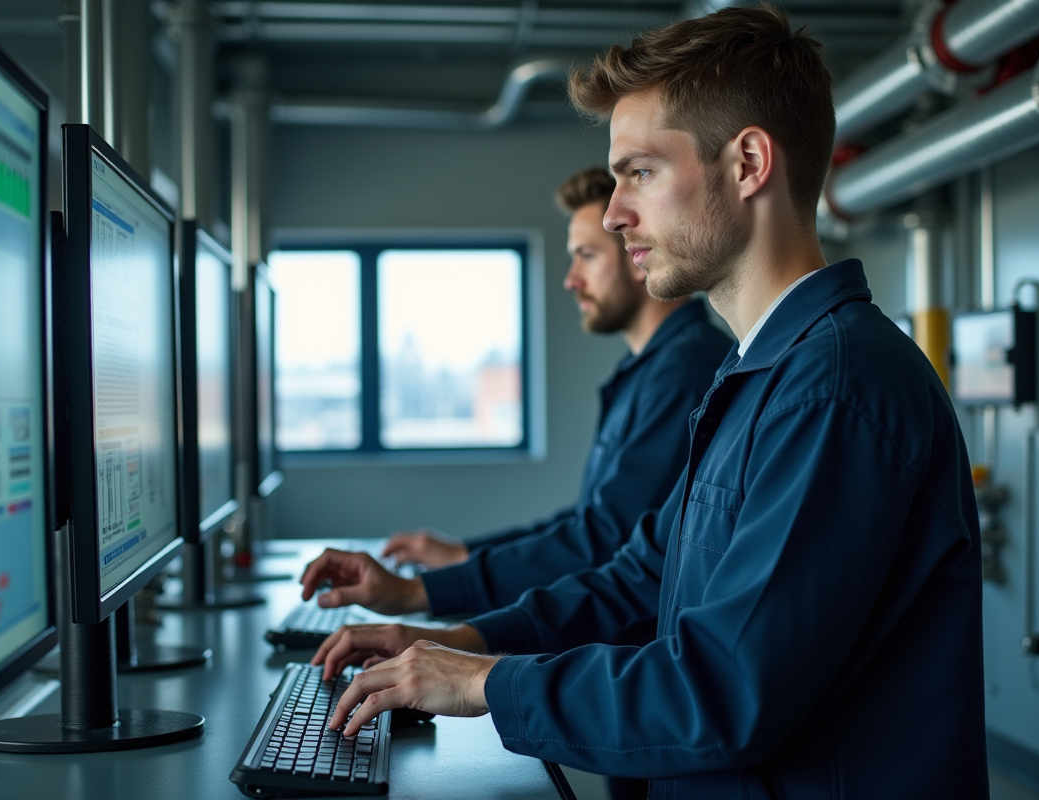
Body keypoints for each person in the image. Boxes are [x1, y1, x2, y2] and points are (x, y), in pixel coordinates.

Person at [311, 6, 989, 799]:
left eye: (640, 172)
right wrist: (449, 642)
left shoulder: (834, 388)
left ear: (747, 164)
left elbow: (725, 691)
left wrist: (482, 685)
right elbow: (636, 577)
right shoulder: (760, 372)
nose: (614, 212)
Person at [298, 168, 732, 620]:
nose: (571, 279)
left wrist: (426, 591)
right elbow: (588, 520)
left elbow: (605, 540)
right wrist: (464, 554)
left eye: (586, 256)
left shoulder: (684, 372)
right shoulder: (648, 369)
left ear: (636, 252)